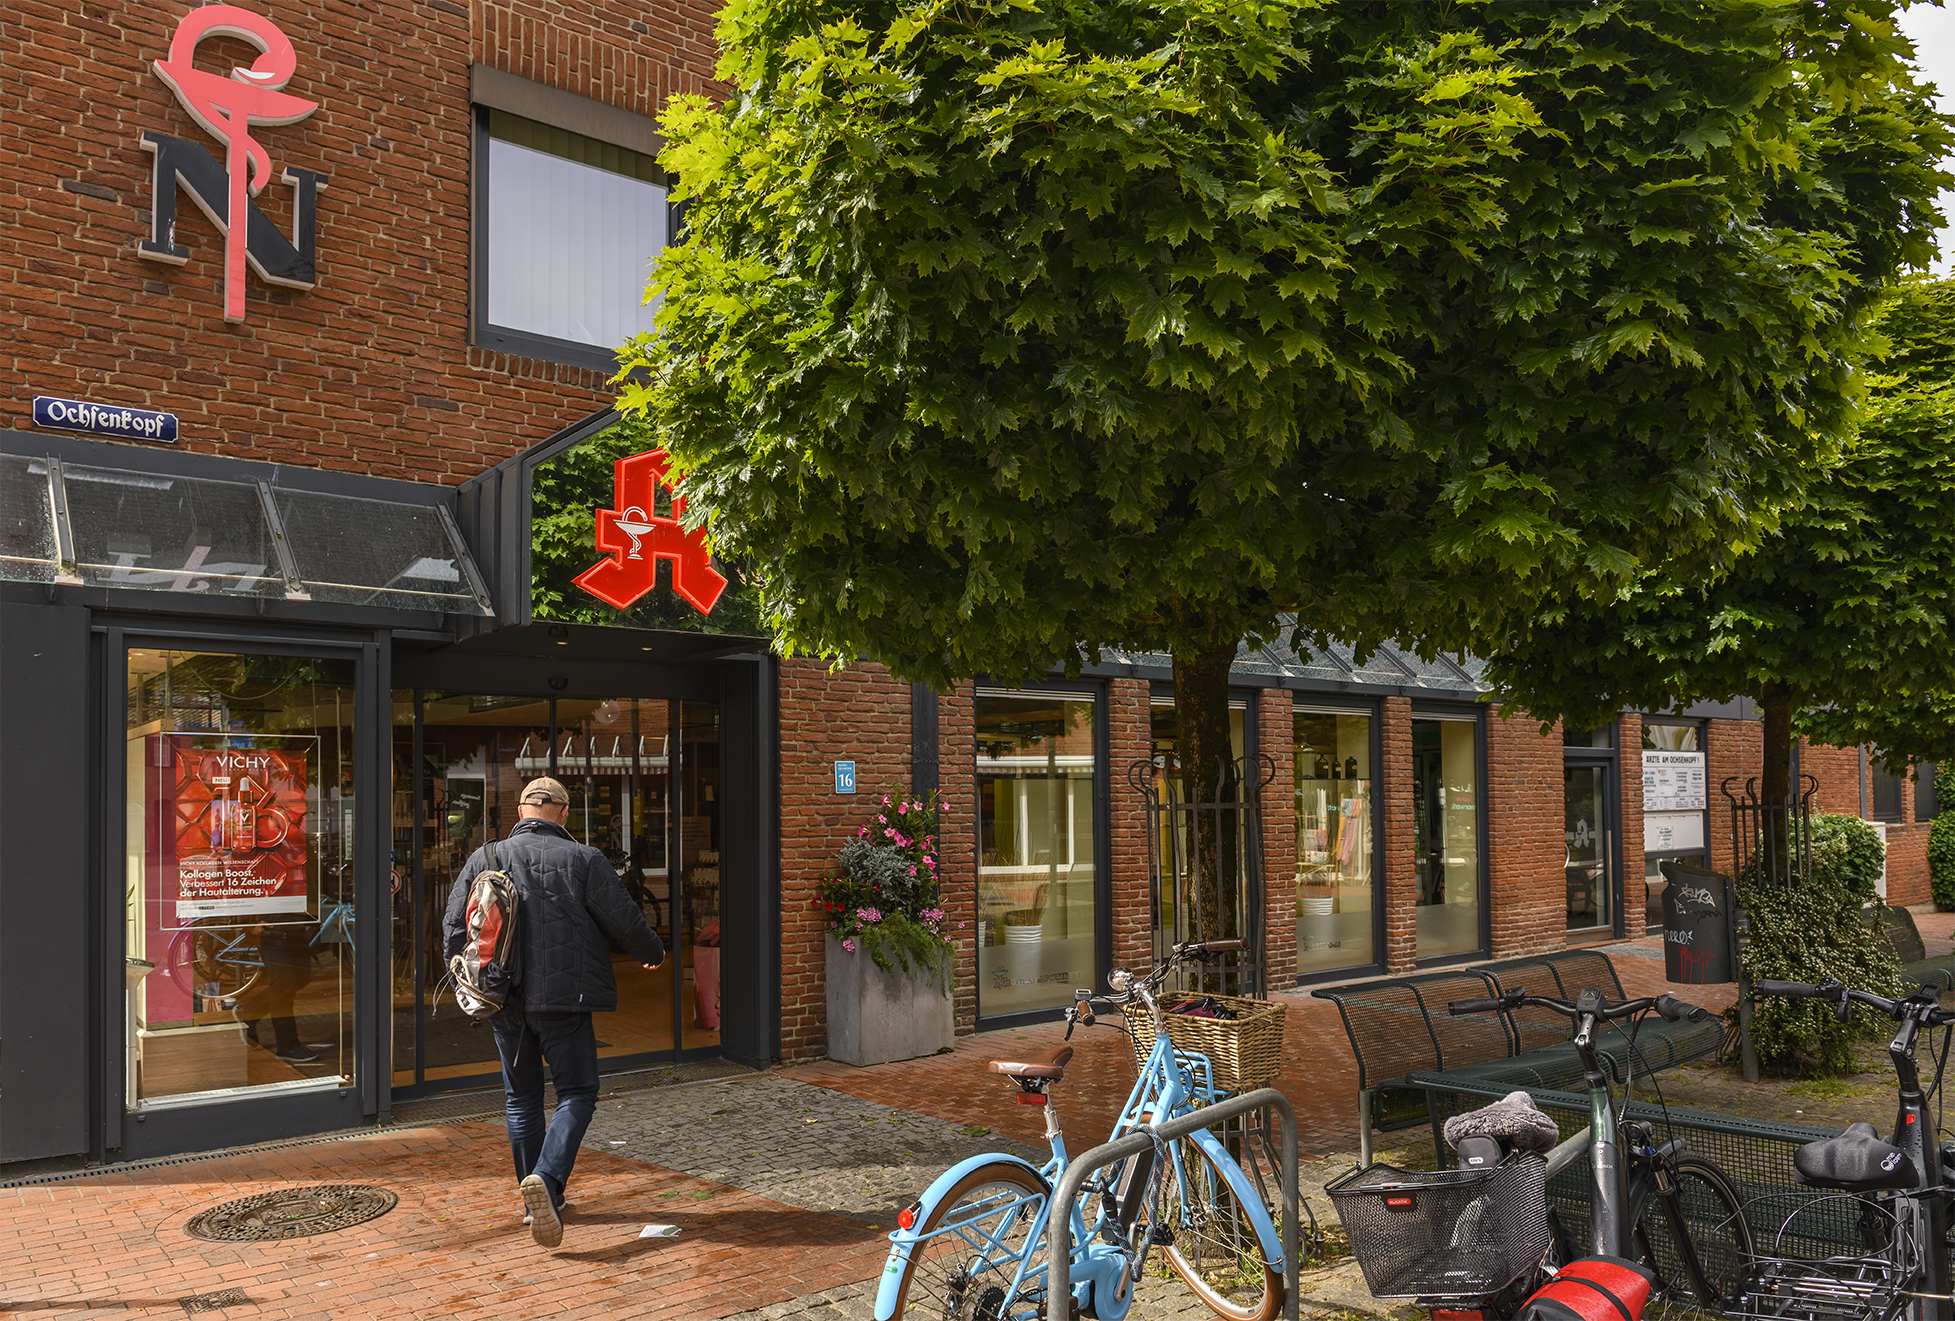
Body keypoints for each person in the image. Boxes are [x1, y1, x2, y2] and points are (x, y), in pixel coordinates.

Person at [442, 775, 664, 1248]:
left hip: (505, 999)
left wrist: (472, 981)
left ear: (520, 812)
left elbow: (452, 927)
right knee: (577, 1092)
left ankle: (534, 1204)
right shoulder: (584, 859)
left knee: (521, 1098)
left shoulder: (487, 857)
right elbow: (625, 919)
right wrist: (654, 951)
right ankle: (548, 1178)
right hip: (566, 998)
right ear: (564, 814)